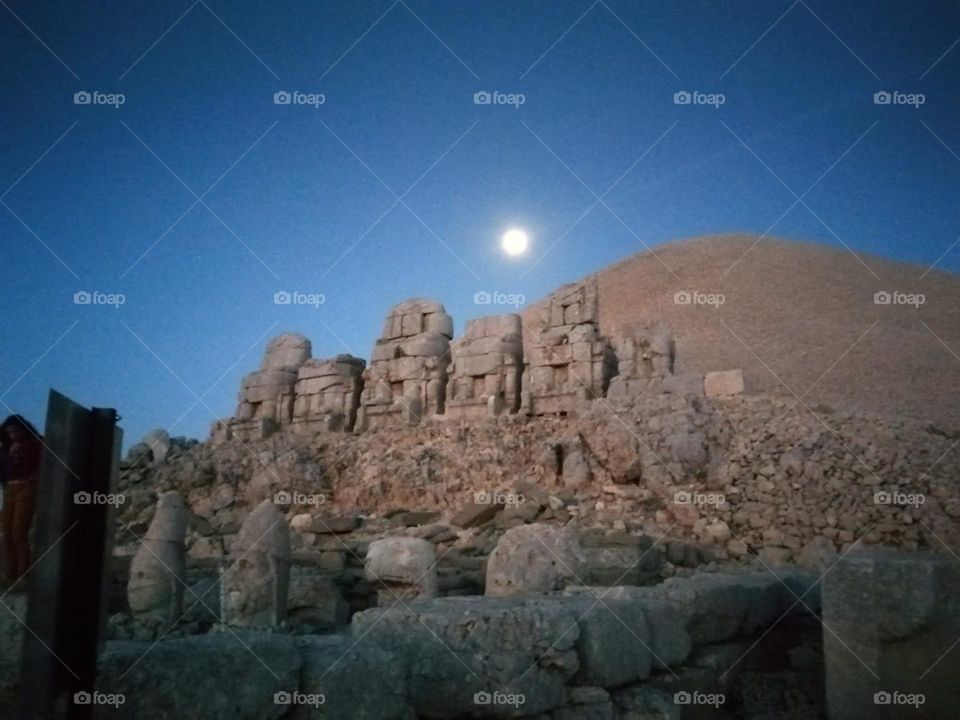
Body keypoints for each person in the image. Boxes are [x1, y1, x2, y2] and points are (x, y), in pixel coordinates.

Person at [1, 415, 42, 588]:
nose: (13, 435)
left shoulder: (34, 443)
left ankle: (23, 575)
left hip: (27, 487)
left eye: (16, 431)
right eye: (9, 432)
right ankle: (10, 574)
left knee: (19, 532)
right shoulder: (5, 446)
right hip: (9, 489)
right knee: (7, 533)